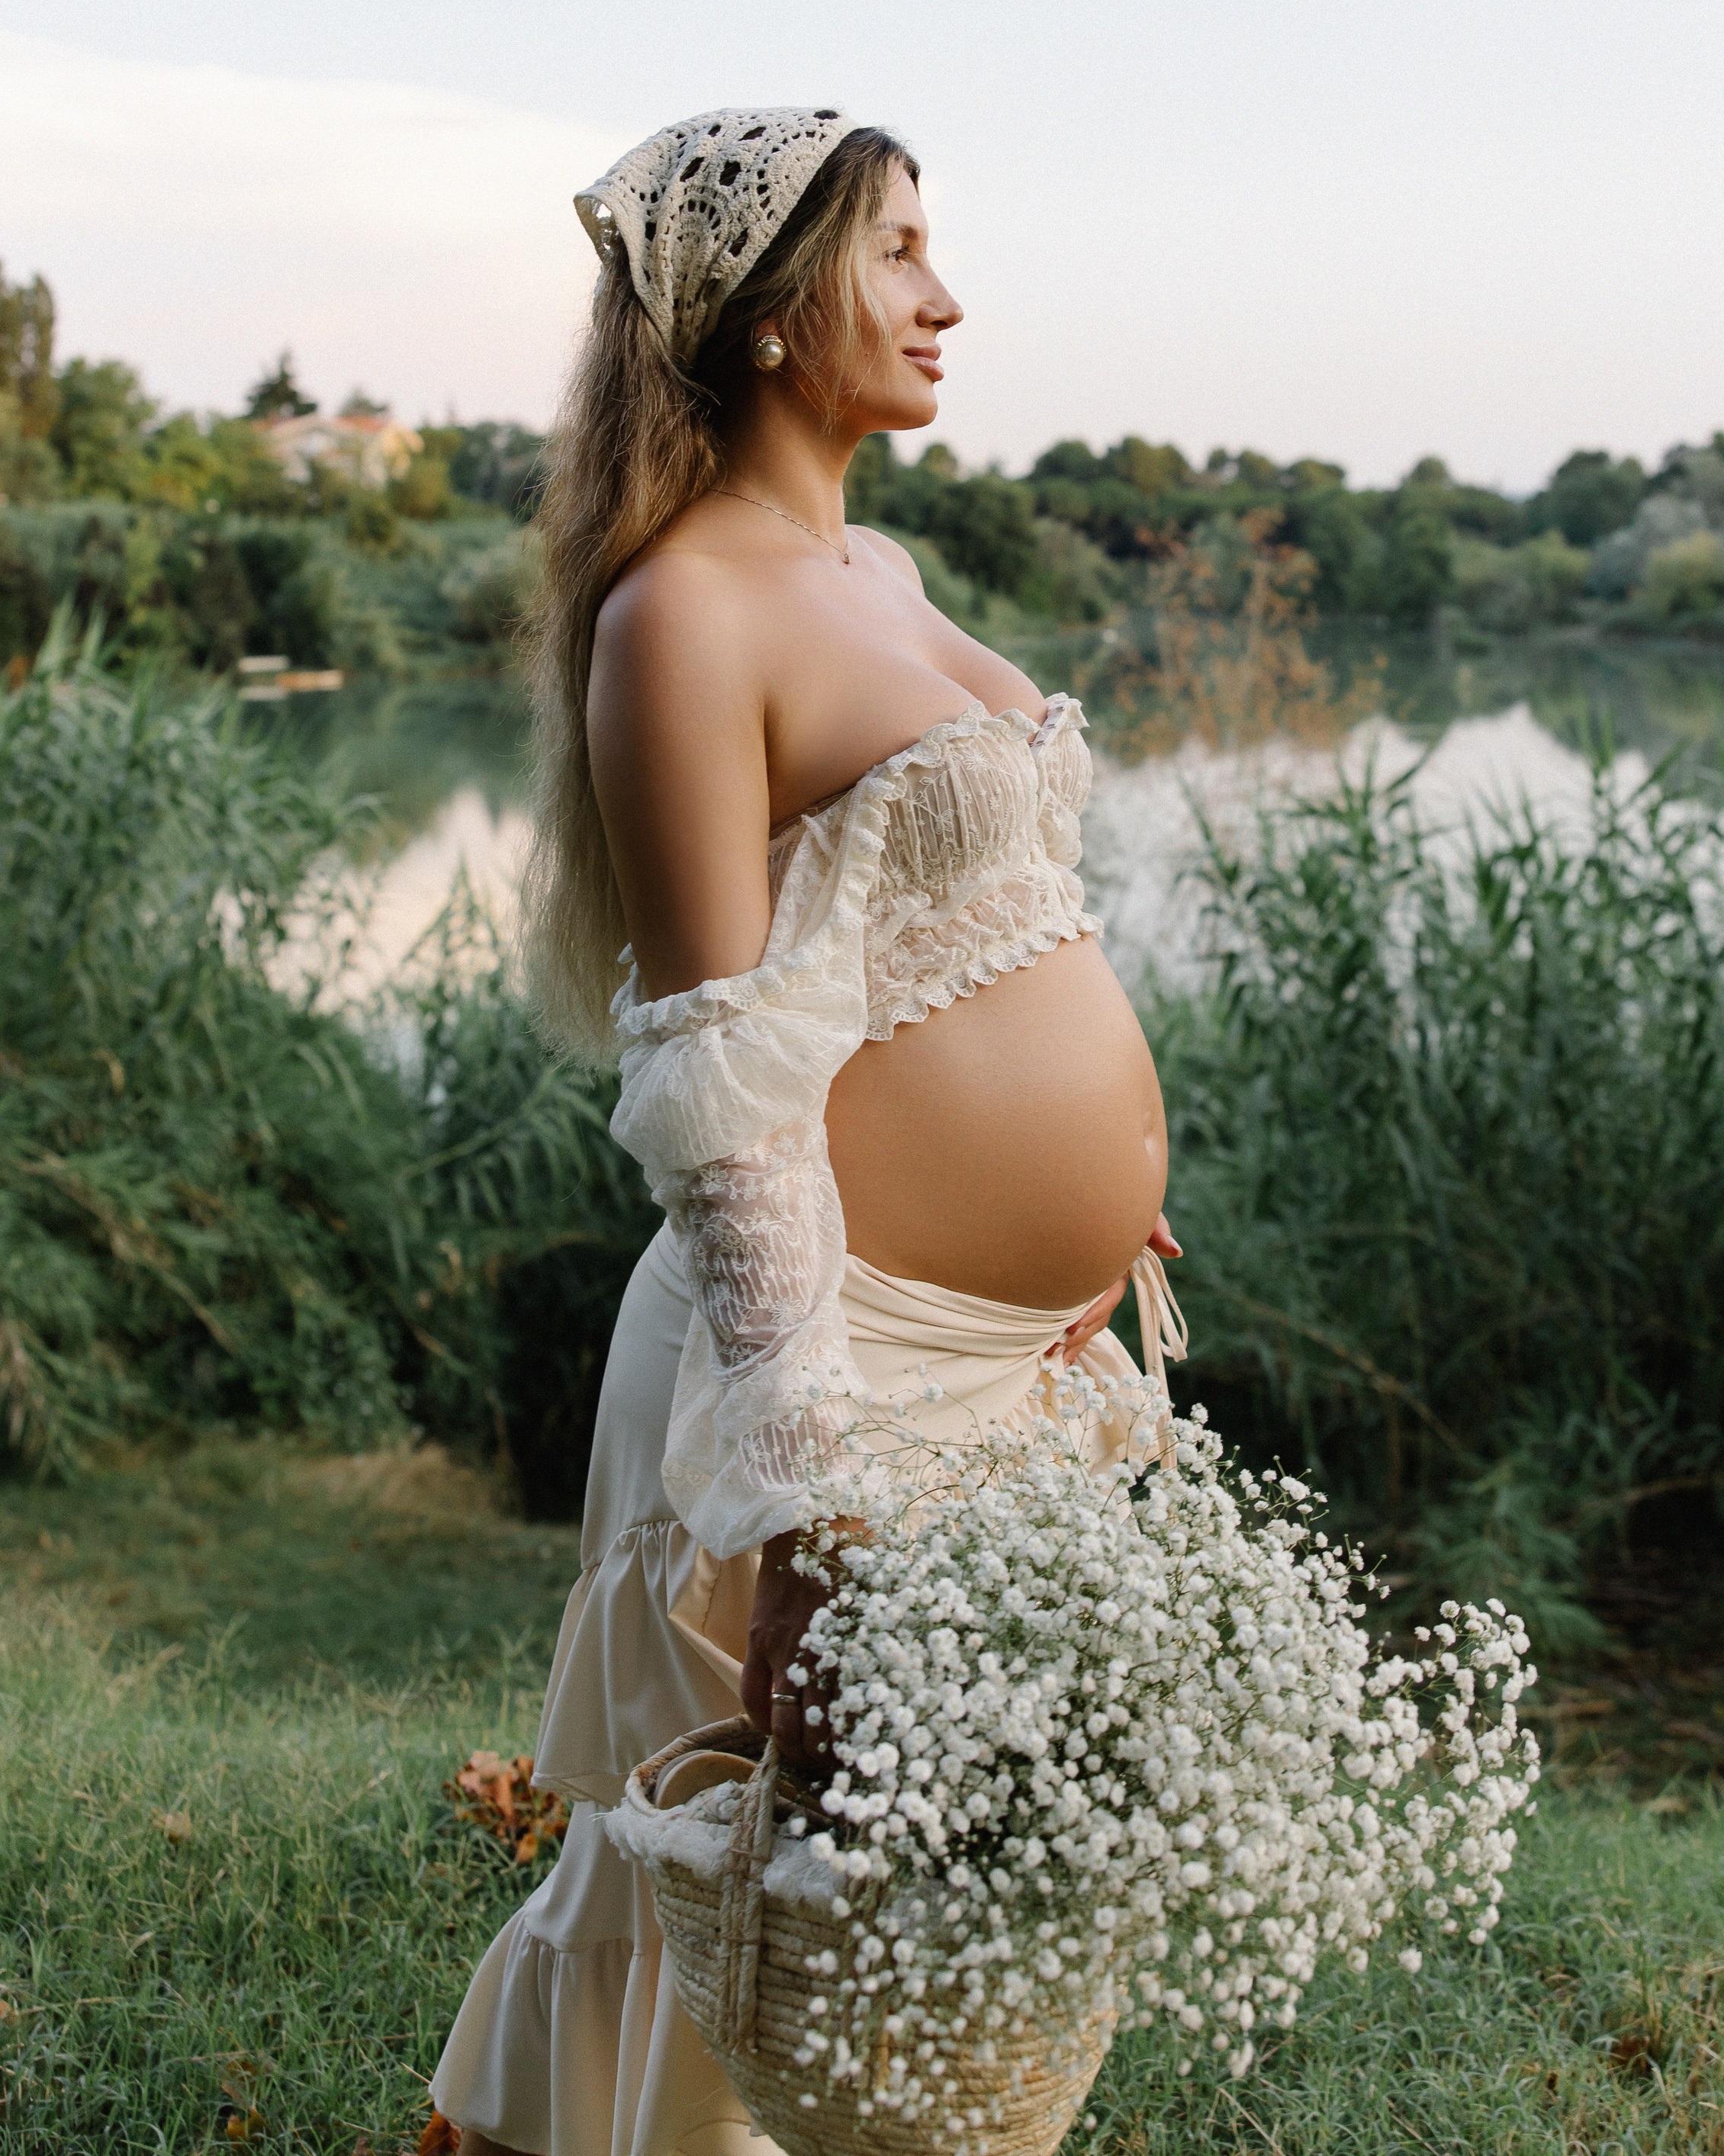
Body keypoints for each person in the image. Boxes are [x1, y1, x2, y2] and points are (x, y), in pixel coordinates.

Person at [433, 109, 1182, 2156]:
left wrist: (1102, 1196)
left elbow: (949, 932)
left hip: (1000, 1350)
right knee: (728, 1883)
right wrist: (800, 1507)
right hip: (822, 1353)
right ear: (768, 316)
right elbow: (721, 1088)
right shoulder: (680, 617)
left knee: (932, 1900)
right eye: (902, 255)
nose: (949, 299)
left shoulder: (882, 565)